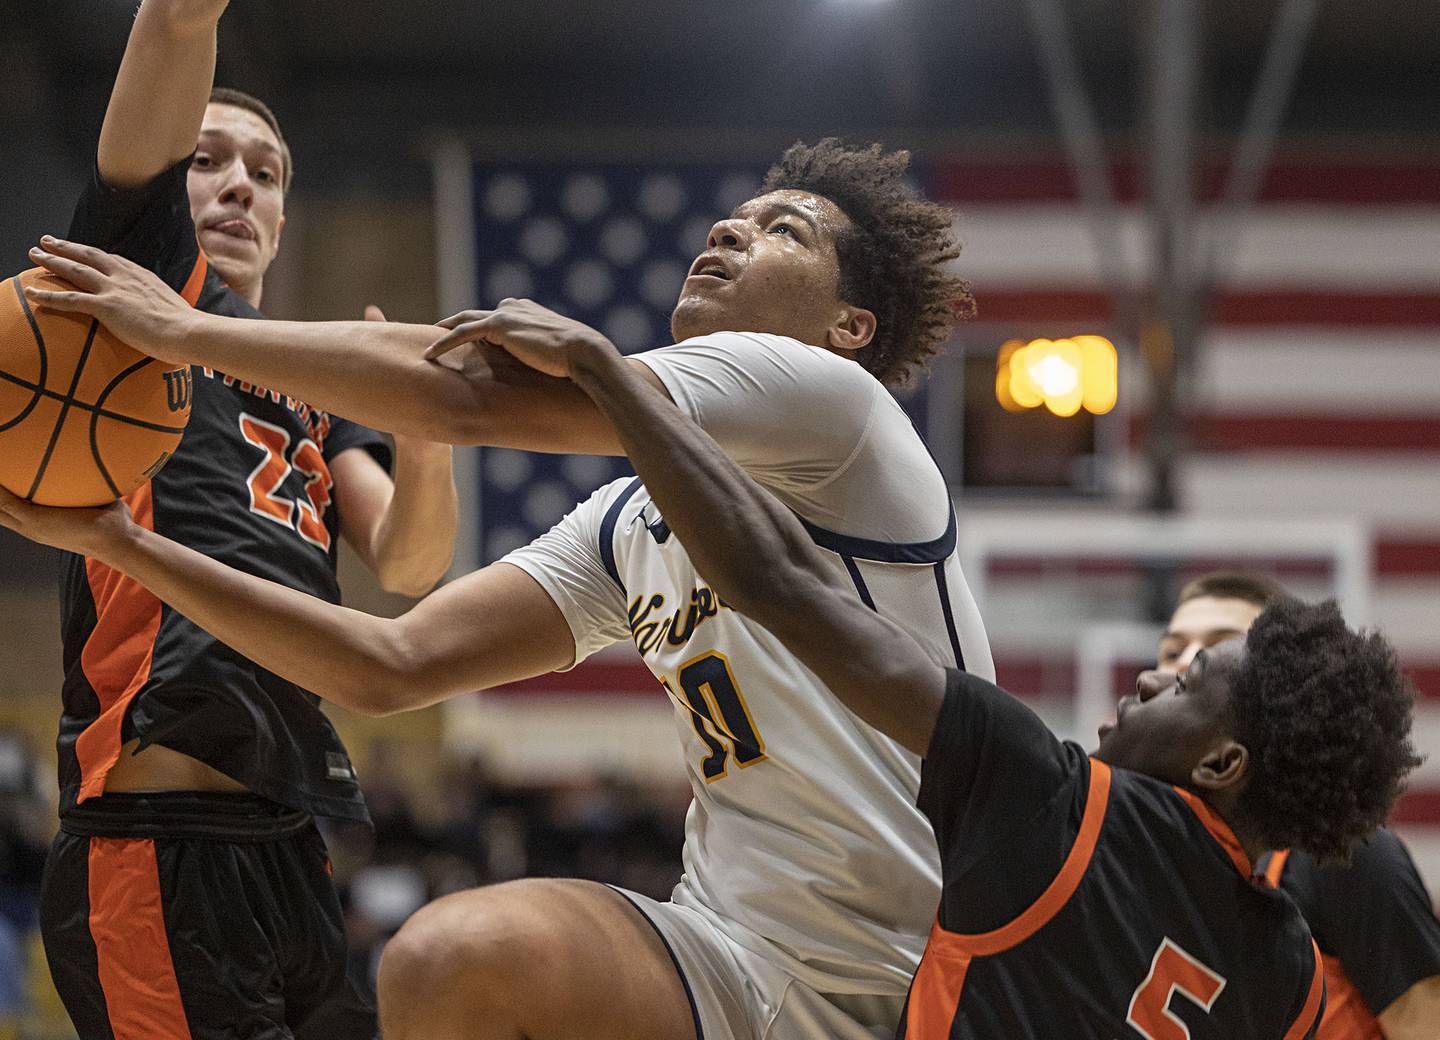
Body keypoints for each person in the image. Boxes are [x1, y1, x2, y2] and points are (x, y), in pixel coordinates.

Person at [18, 139, 992, 1039]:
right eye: (732, 217)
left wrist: (186, 332)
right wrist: (123, 541)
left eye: (787, 229)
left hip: (928, 969)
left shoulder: (835, 403)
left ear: (848, 325)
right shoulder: (628, 522)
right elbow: (388, 663)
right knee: (447, 959)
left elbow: (461, 393)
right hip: (729, 955)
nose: (733, 228)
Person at [426, 309, 1421, 1035]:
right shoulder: (1288, 970)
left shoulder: (1060, 803)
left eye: (1190, 677)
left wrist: (609, 373)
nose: (1153, 675)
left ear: (1223, 760)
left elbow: (776, 581)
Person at [24, 2, 458, 1037]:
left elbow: (410, 562)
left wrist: (428, 422)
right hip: (157, 830)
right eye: (208, 158)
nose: (237, 184)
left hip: (290, 834)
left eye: (264, 172)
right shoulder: (145, 297)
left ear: (282, 211)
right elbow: (173, 25)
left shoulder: (311, 372)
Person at [1160, 573, 1440, 1040]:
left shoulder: (1349, 859)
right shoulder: (1146, 851)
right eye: (1172, 650)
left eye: (1220, 645)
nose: (1187, 663)